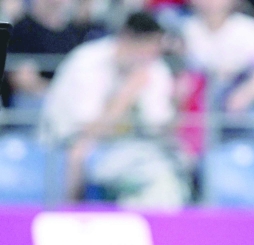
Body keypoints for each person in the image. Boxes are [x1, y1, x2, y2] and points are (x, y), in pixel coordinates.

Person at [39, 11, 187, 206]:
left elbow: (158, 125)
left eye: (154, 50)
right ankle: (70, 212)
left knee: (171, 171)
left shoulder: (154, 67)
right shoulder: (87, 61)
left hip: (132, 148)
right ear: (125, 40)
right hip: (67, 142)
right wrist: (127, 92)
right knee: (80, 153)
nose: (150, 56)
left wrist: (176, 103)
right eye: (145, 49)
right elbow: (88, 129)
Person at [180, 0, 254, 114]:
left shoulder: (250, 29)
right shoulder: (186, 29)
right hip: (201, 102)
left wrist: (245, 94)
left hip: (244, 102)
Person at [5, 0, 104, 106]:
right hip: (33, 100)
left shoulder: (74, 32)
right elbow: (20, 78)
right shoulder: (22, 28)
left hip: (66, 98)